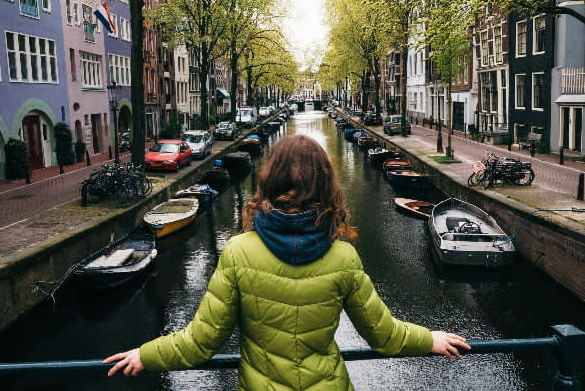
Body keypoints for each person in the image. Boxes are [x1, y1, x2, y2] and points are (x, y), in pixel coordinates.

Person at [105, 135, 471, 388]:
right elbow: (384, 336)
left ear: (270, 180)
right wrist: (430, 339)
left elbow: (202, 342)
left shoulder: (237, 252)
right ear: (327, 184)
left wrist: (146, 354)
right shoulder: (343, 256)